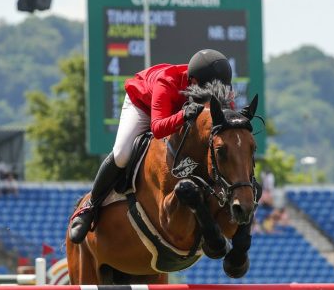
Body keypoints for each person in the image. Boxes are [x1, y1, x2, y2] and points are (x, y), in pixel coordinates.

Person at [68, 48, 234, 243]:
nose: (212, 100)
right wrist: (182, 115)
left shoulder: (219, 89)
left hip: (176, 109)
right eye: (209, 94)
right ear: (195, 83)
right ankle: (89, 207)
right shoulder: (167, 82)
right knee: (122, 154)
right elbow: (157, 128)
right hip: (143, 105)